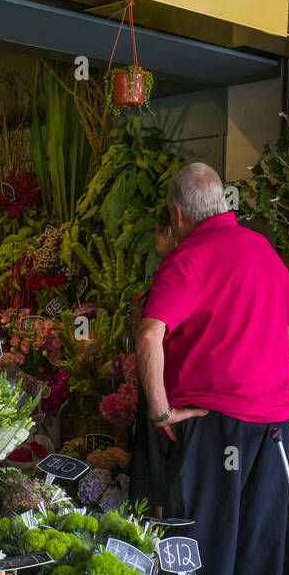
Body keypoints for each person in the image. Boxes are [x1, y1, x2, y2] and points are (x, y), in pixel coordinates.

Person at [135, 163, 289, 575]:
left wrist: (159, 410)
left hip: (213, 424)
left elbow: (150, 334)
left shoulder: (190, 257)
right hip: (273, 426)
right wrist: (261, 372)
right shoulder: (261, 248)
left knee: (201, 547)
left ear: (176, 214)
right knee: (260, 546)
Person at [128, 208, 178, 515]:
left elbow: (149, 336)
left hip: (164, 383)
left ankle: (155, 523)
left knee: (157, 455)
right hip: (164, 381)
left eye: (155, 232)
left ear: (169, 231)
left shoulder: (177, 271)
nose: (153, 239)